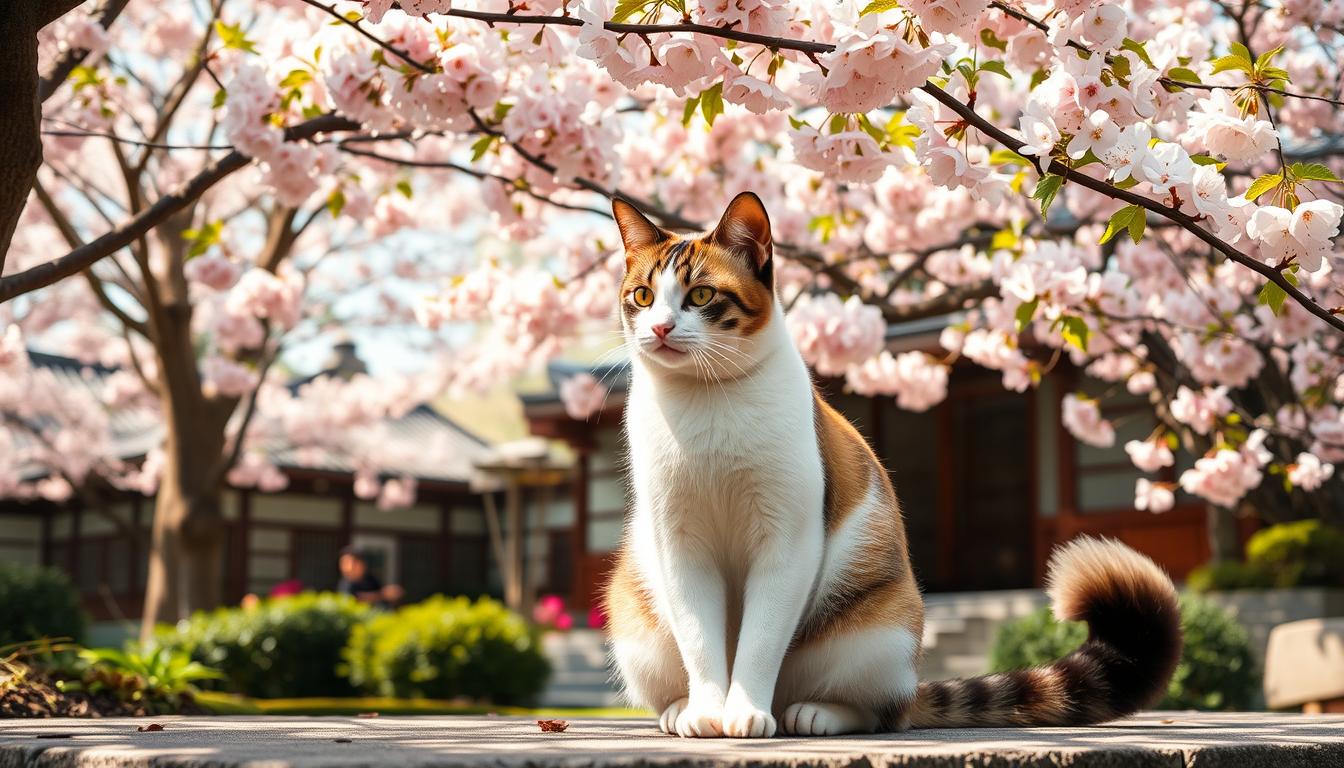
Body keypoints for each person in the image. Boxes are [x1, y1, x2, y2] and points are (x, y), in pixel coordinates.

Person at [336, 546, 404, 607]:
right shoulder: (345, 583)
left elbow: (382, 601)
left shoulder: (371, 579)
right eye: (343, 563)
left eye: (348, 563)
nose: (346, 567)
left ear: (362, 563)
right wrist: (382, 595)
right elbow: (352, 601)